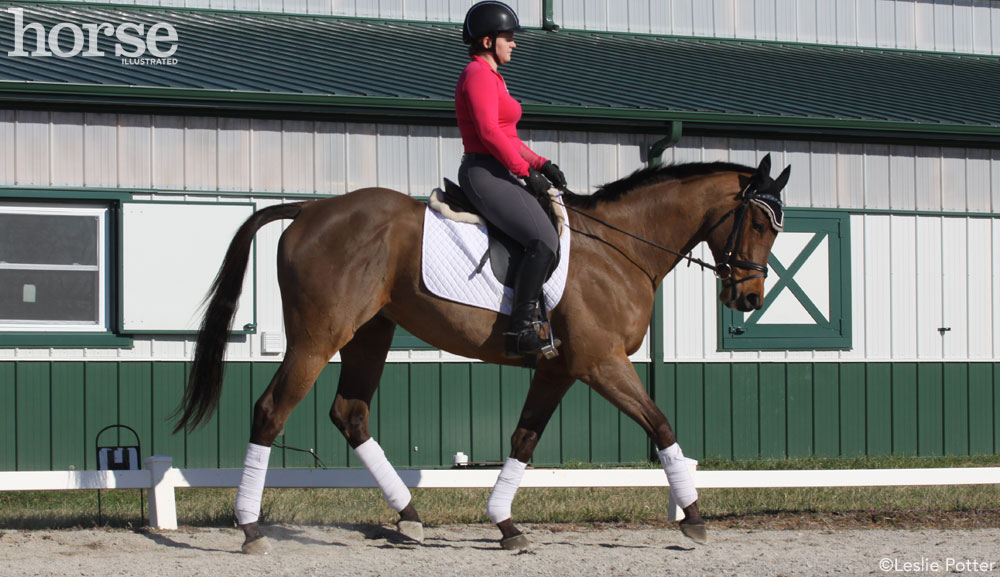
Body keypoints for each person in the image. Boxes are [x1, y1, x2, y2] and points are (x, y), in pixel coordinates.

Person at [456, 0, 567, 359]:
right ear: (488, 41)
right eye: (509, 37)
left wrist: (541, 163)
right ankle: (520, 330)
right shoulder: (477, 74)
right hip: (484, 171)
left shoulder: (494, 78)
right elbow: (489, 133)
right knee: (543, 239)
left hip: (499, 167)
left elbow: (509, 137)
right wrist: (525, 174)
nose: (514, 43)